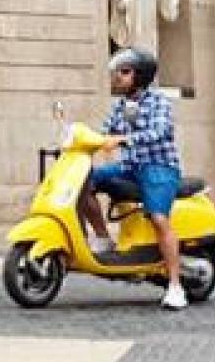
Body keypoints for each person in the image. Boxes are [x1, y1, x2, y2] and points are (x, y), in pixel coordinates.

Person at [77, 47, 188, 310]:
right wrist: (82, 139)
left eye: (124, 73)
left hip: (159, 166)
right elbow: (105, 132)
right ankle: (103, 237)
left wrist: (125, 139)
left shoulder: (158, 101)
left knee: (159, 219)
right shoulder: (121, 105)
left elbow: (160, 131)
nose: (117, 77)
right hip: (131, 166)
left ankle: (175, 286)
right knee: (83, 181)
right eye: (118, 72)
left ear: (140, 76)